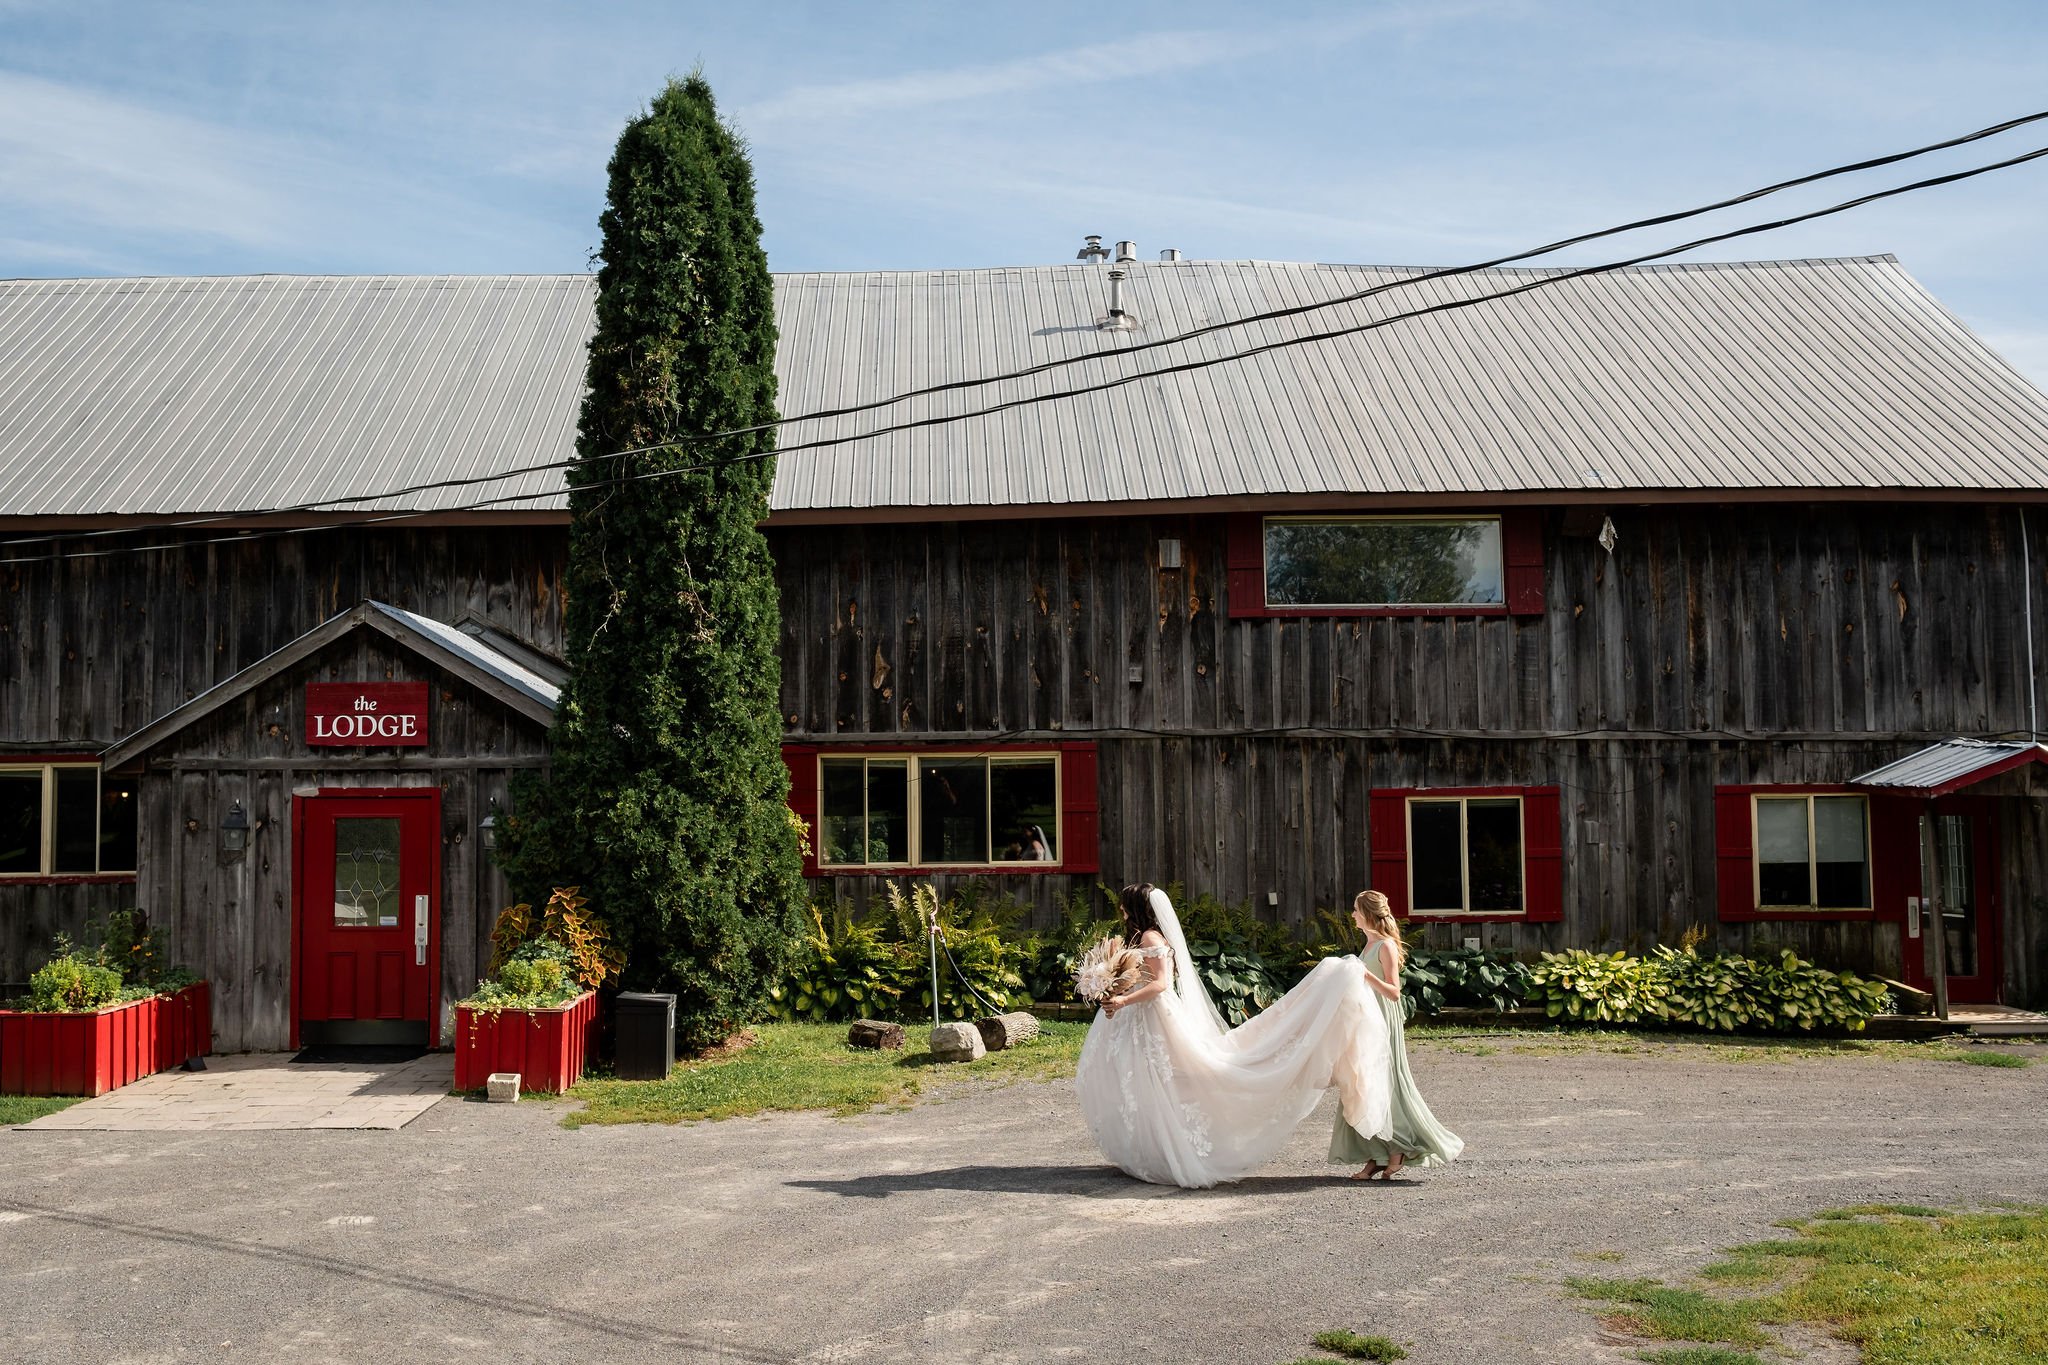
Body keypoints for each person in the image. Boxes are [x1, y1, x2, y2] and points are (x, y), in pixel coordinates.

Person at [1075, 883, 1392, 1189]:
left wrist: (1122, 1000)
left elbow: (1160, 984)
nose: (1119, 909)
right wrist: (1112, 985)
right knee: (1149, 1081)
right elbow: (1140, 976)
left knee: (1170, 1080)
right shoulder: (1139, 937)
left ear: (1134, 908)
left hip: (1153, 1016)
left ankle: (1173, 1149)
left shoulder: (1149, 937)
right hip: (1140, 1017)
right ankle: (1152, 1146)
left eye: (1124, 904)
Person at [1330, 889, 1464, 1181]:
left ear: (1367, 913)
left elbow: (1393, 992)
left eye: (1355, 909)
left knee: (1385, 1084)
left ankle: (1397, 1149)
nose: (1352, 914)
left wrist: (1364, 975)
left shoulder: (1385, 947)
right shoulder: (1367, 946)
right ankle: (1374, 1155)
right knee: (1360, 1085)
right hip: (1363, 1023)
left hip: (1382, 1023)